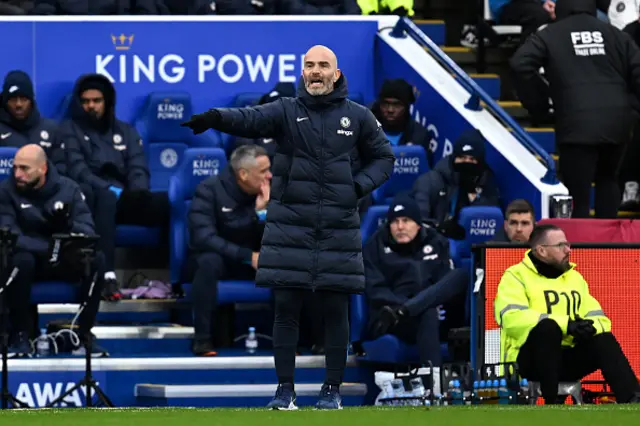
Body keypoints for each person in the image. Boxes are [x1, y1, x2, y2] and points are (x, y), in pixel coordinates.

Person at [181, 45, 395, 410]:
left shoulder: (358, 117)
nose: (315, 71)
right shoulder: (285, 111)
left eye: (322, 65)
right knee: (285, 308)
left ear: (336, 74)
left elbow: (384, 157)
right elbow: (248, 118)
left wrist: (357, 187)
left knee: (335, 308)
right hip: (288, 225)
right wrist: (215, 117)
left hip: (337, 226)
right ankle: (285, 390)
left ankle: (332, 390)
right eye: (309, 65)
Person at [510, 0, 640, 219]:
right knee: (608, 180)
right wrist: (632, 109)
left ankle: (581, 249)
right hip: (617, 122)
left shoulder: (551, 34)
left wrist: (540, 103)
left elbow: (519, 64)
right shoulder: (615, 34)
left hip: (575, 122)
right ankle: (607, 249)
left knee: (577, 194)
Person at [494, 224, 640, 404]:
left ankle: (633, 400)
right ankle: (552, 402)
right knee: (549, 328)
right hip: (527, 362)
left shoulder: (574, 278)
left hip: (565, 359)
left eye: (568, 244)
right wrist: (566, 325)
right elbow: (512, 319)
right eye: (561, 245)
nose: (568, 249)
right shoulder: (515, 276)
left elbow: (599, 316)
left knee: (603, 338)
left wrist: (586, 328)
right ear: (541, 250)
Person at [61, 73, 170, 299]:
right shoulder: (70, 130)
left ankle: (171, 280)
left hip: (127, 198)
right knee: (104, 198)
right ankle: (107, 277)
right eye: (85, 101)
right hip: (94, 199)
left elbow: (138, 166)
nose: (90, 106)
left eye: (96, 101)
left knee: (167, 204)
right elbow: (78, 170)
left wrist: (138, 192)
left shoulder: (126, 131)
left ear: (107, 102)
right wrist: (111, 191)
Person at [0, 145, 107, 357]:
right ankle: (20, 334)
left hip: (64, 258)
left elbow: (87, 230)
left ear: (43, 169)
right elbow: (10, 235)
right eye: (15, 168)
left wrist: (66, 228)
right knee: (19, 260)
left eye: (24, 169)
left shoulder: (69, 189)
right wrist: (49, 247)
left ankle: (83, 333)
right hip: (32, 261)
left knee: (97, 260)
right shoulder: (6, 191)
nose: (17, 174)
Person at [363, 195, 469, 367]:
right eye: (394, 221)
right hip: (394, 318)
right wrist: (404, 307)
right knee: (426, 313)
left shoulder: (436, 241)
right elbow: (376, 291)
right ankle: (432, 383)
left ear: (418, 224)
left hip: (434, 311)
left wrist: (416, 306)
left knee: (462, 275)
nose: (400, 227)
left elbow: (444, 283)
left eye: (406, 220)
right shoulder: (374, 246)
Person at [188, 145, 272, 356]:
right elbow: (203, 238)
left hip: (255, 260)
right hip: (222, 260)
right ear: (243, 174)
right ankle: (203, 340)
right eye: (263, 171)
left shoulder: (272, 191)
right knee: (208, 262)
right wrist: (247, 256)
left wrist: (262, 215)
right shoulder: (209, 190)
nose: (269, 176)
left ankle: (291, 342)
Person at [412, 128, 500, 240]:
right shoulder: (429, 182)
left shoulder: (487, 185)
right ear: (454, 158)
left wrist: (474, 200)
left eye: (472, 159)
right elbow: (418, 221)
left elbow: (490, 224)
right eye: (462, 157)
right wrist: (440, 228)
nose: (466, 163)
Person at [0, 70, 65, 174]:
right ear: (4, 101)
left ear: (31, 100)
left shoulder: (51, 129)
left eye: (24, 99)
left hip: (43, 189)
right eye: (13, 99)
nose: (18, 104)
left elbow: (61, 169)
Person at [371, 78, 433, 167]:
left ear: (407, 107)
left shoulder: (420, 137)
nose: (390, 110)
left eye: (396, 105)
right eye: (385, 104)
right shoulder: (366, 130)